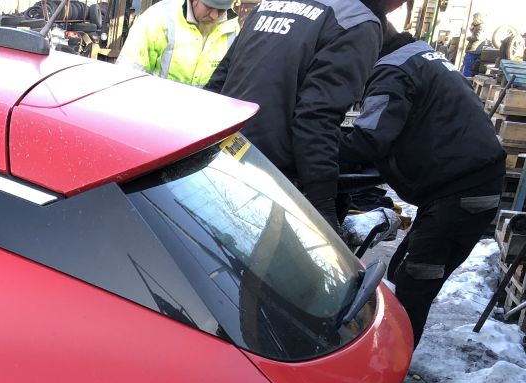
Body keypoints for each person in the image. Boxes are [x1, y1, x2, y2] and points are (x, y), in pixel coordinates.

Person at [340, 22, 505, 346]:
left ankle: (390, 367)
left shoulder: (392, 71)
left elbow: (369, 141)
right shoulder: (417, 56)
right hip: (464, 184)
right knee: (400, 272)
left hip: (461, 191)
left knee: (415, 283)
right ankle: (388, 352)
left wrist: (315, 148)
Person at [206, 0, 405, 229]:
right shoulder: (357, 22)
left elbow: (216, 86)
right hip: (270, 181)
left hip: (220, 160)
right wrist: (324, 205)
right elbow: (316, 118)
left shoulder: (270, 5)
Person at [118, 0, 239, 87]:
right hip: (156, 110)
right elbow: (128, 73)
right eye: (209, 7)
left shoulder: (232, 29)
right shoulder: (159, 18)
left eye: (221, 10)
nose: (214, 15)